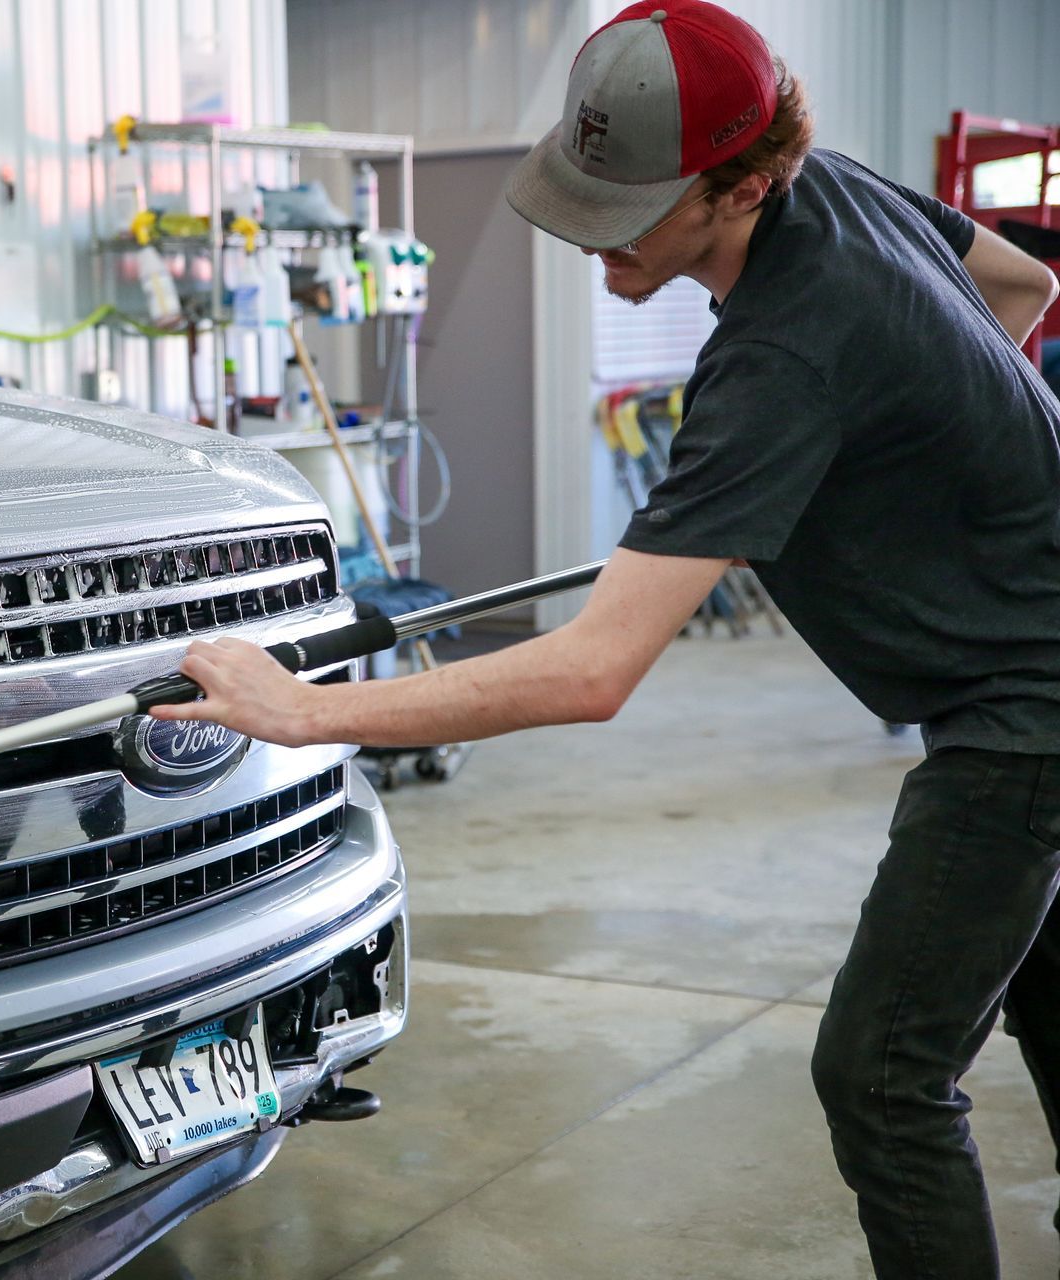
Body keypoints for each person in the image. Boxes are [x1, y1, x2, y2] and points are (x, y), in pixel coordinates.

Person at [152, 3, 1060, 1276]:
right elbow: (1027, 285)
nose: (590, 239)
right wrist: (904, 464)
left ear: (740, 186)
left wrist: (303, 710)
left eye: (624, 207)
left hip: (1023, 719)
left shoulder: (782, 358)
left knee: (881, 1075)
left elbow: (589, 671)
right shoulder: (840, 192)